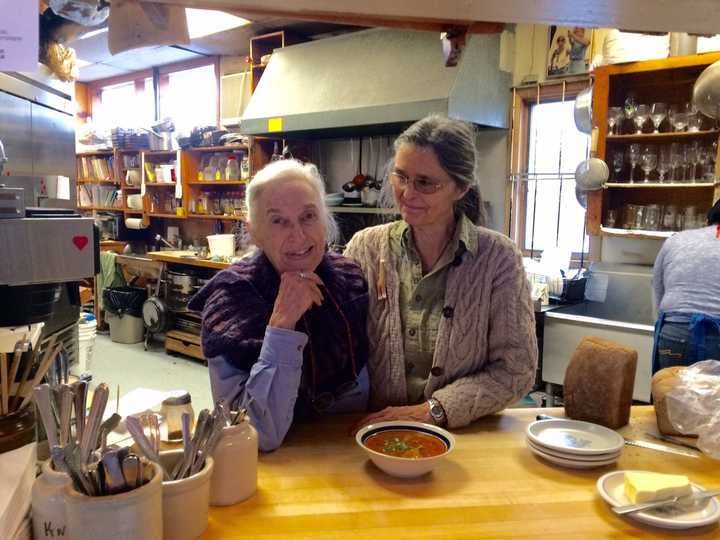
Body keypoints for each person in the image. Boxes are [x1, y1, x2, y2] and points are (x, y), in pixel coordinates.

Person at [345, 115, 538, 430]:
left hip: (462, 439)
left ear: (460, 188)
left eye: (425, 183)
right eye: (400, 176)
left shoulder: (498, 259)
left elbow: (515, 370)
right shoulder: (365, 249)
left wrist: (434, 410)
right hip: (372, 434)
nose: (407, 193)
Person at [189, 159, 369, 451]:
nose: (297, 235)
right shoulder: (230, 297)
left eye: (308, 216)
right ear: (255, 231)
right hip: (270, 469)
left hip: (350, 451)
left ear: (325, 220)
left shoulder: (351, 278)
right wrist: (282, 325)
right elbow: (255, 434)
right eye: (278, 221)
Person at [651, 199, 720, 374]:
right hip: (716, 335)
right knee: (712, 401)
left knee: (670, 398)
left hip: (673, 332)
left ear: (708, 219)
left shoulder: (676, 239)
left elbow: (657, 287)